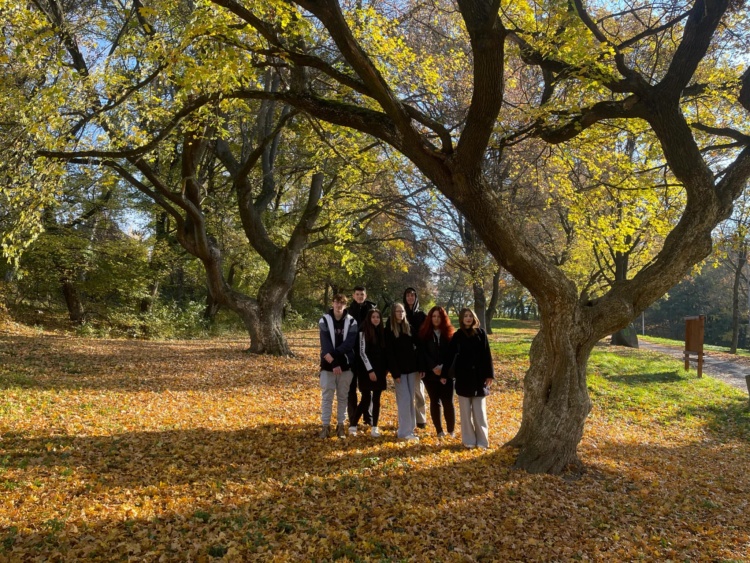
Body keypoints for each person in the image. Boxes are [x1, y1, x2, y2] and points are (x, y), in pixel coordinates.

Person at [448, 308, 494, 449]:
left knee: (479, 413)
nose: (468, 318)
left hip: (479, 379)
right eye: (465, 316)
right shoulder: (457, 336)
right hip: (463, 379)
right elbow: (450, 357)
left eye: (470, 316)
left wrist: (489, 374)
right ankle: (468, 440)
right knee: (465, 413)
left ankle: (482, 441)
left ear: (474, 318)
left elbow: (487, 355)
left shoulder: (481, 333)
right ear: (462, 319)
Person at [318, 294, 358, 439]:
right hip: (328, 365)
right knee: (327, 397)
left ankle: (340, 425)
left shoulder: (352, 322)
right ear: (333, 303)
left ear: (345, 305)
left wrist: (337, 360)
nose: (338, 305)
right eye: (336, 302)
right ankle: (325, 426)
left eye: (342, 303)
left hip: (346, 366)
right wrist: (334, 363)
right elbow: (325, 343)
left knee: (343, 397)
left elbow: (349, 344)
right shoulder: (324, 320)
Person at [385, 303, 421, 442]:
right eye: (398, 311)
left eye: (402, 311)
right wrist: (395, 373)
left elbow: (419, 343)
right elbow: (389, 353)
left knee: (410, 399)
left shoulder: (409, 327)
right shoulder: (389, 330)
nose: (400, 313)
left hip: (411, 370)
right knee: (404, 400)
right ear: (393, 313)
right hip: (399, 372)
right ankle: (404, 432)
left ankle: (410, 429)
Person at [418, 306, 456, 438]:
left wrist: (443, 369)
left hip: (447, 373)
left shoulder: (450, 334)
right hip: (430, 374)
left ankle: (451, 430)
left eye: (439, 316)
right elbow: (422, 353)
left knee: (448, 402)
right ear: (430, 318)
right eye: (433, 316)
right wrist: (433, 367)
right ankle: (439, 431)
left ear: (443, 318)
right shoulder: (424, 333)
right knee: (435, 401)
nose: (436, 319)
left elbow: (452, 354)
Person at [351, 309, 388, 437]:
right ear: (369, 318)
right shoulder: (363, 331)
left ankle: (375, 427)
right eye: (373, 317)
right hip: (365, 370)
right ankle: (353, 425)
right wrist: (370, 370)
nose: (376, 319)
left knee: (377, 399)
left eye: (378, 317)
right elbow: (362, 352)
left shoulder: (383, 332)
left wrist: (385, 370)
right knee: (366, 399)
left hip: (380, 370)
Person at [347, 286, 376, 434]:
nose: (359, 296)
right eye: (357, 294)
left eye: (362, 294)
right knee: (351, 388)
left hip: (366, 353)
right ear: (353, 295)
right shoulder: (348, 311)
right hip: (351, 354)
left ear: (366, 295)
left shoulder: (371, 309)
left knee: (367, 388)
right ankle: (353, 416)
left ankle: (368, 416)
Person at [403, 287, 428, 429]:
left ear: (416, 297)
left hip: (418, 358)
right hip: (404, 358)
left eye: (412, 295)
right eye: (408, 295)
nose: (410, 298)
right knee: (406, 393)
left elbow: (424, 340)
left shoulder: (421, 316)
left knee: (419, 391)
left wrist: (423, 364)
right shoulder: (401, 313)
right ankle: (408, 419)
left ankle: (421, 419)